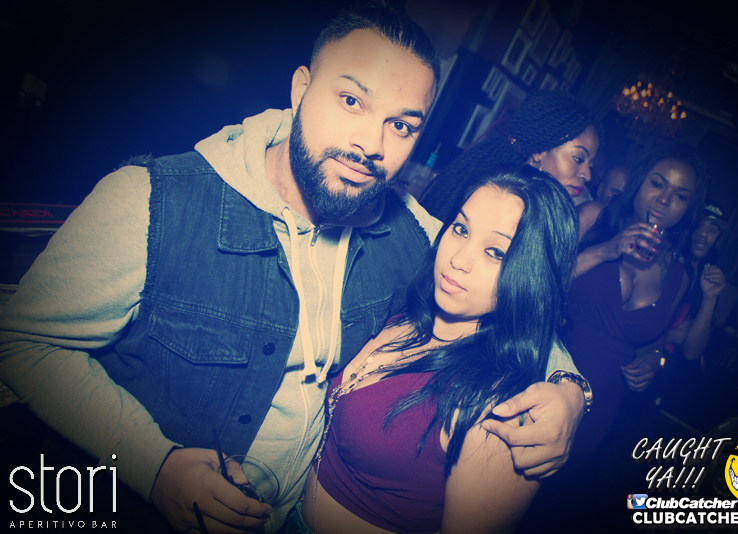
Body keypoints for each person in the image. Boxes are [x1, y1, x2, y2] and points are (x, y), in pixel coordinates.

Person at [0, 5, 585, 533]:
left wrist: (569, 392)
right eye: (352, 101)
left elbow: (510, 292)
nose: (371, 144)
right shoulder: (153, 199)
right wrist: (154, 466)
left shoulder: (411, 231)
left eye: (402, 125)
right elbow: (20, 342)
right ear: (301, 86)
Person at [294, 169, 583, 534]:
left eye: (495, 252)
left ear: (532, 276)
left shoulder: (499, 408)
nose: (459, 259)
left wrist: (573, 391)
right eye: (460, 229)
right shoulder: (405, 311)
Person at [564, 144, 708, 461]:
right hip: (543, 373)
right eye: (657, 183)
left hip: (599, 405)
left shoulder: (680, 272)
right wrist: (605, 251)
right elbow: (535, 277)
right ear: (639, 181)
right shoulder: (593, 216)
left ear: (689, 208)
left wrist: (651, 360)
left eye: (680, 195)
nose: (665, 199)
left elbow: (652, 341)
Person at [421, 90, 600, 221]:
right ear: (540, 151)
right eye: (578, 158)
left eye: (590, 164)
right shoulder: (507, 202)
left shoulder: (536, 207)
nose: (587, 175)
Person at [664, 203, 728, 360]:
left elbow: (692, 352)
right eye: (699, 225)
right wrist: (667, 336)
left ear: (718, 235)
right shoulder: (666, 260)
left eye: (712, 229)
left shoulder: (708, 278)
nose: (703, 234)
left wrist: (710, 299)